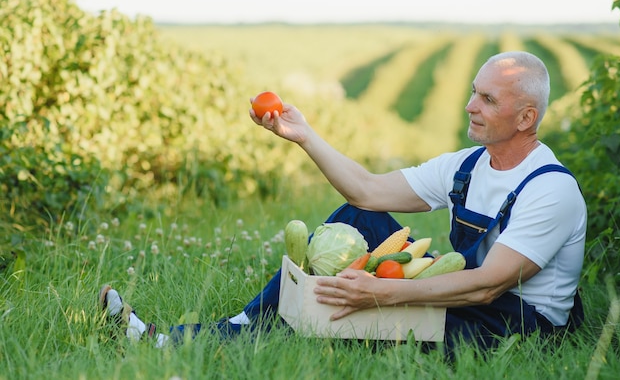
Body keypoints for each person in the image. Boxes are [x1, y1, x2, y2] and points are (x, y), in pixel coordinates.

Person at [100, 51, 586, 355]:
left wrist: (379, 294)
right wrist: (304, 136)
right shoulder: (469, 164)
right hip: (470, 294)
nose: (470, 105)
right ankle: (239, 324)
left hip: (515, 326)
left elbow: (484, 286)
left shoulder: (550, 189)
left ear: (526, 117)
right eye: (472, 92)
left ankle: (197, 341)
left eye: (487, 99)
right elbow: (368, 192)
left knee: (355, 321)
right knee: (359, 218)